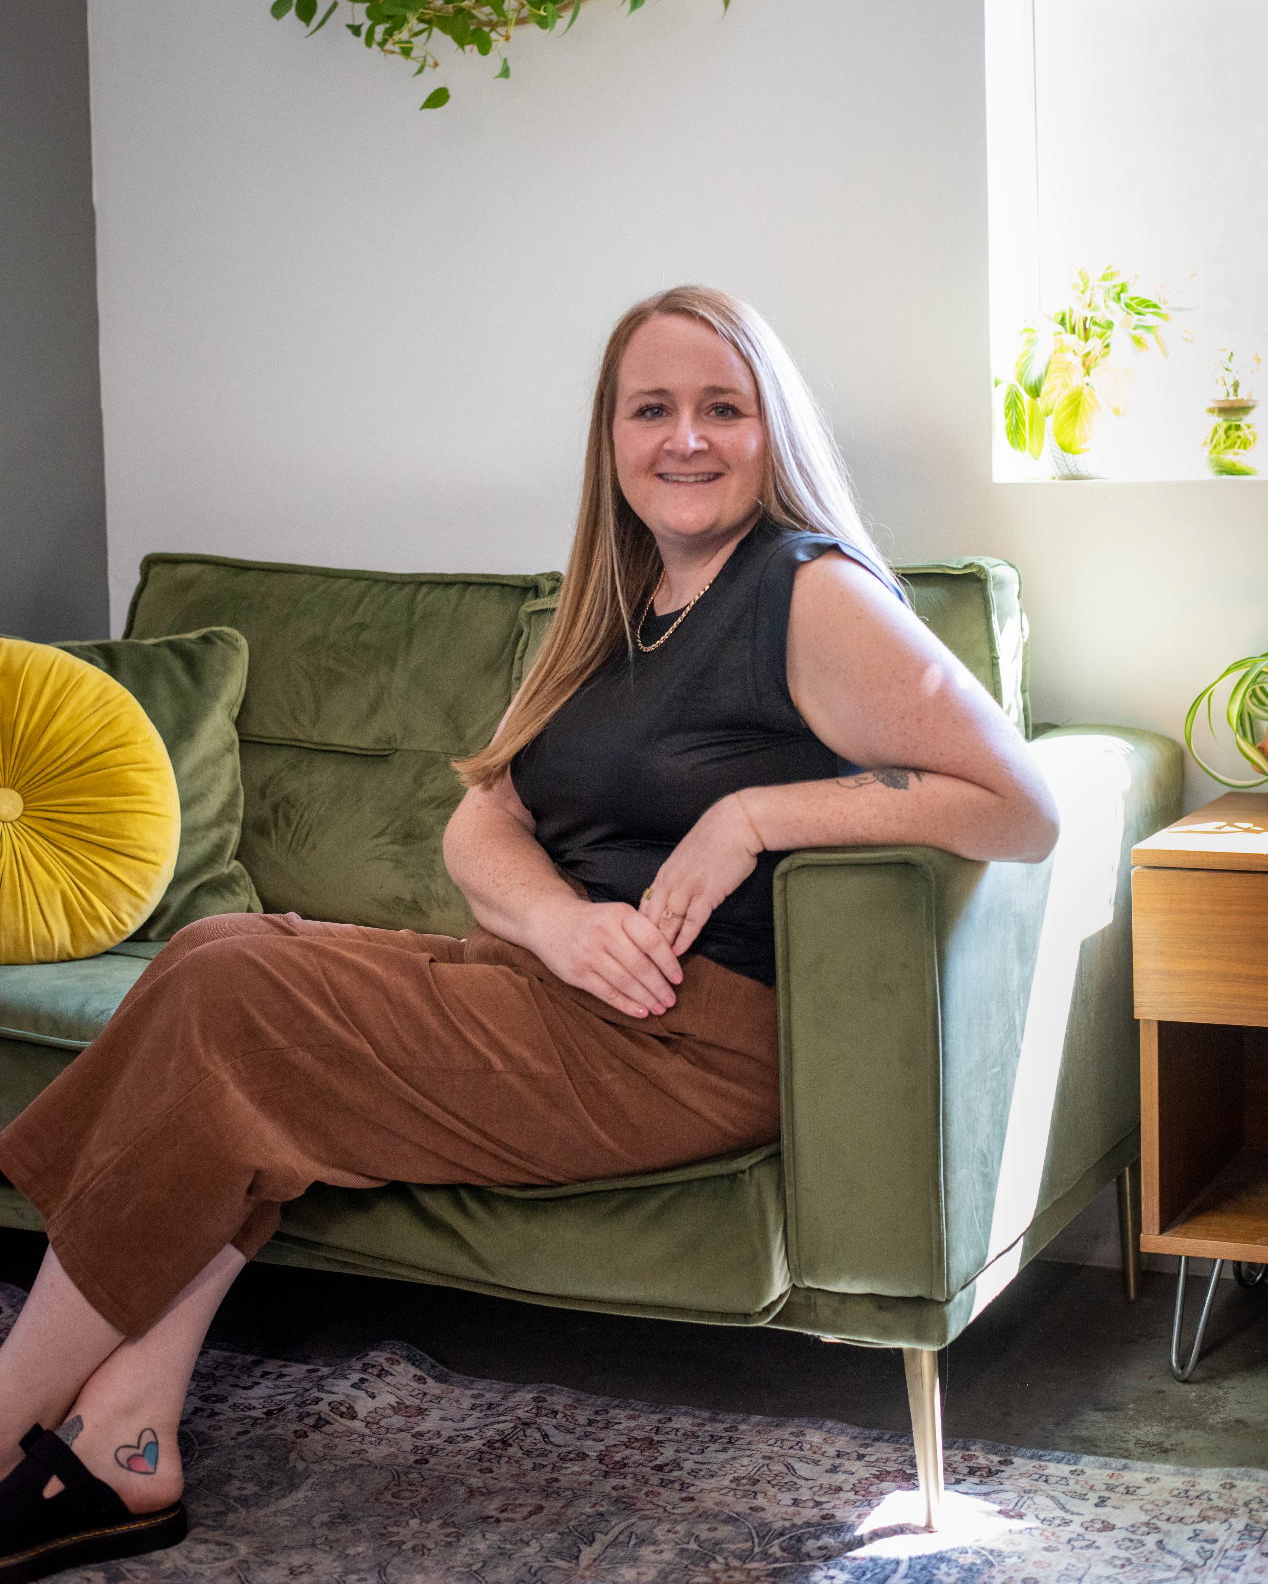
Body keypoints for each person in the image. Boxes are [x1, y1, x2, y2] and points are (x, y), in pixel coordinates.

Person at [0, 285, 1058, 1577]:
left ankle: (8, 1414)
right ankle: (127, 1440)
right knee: (217, 960)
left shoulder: (807, 592)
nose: (686, 439)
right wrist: (556, 925)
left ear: (772, 432)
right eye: (651, 409)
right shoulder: (616, 601)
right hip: (560, 993)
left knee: (239, 1005)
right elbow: (476, 827)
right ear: (610, 438)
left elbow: (1020, 804)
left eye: (723, 408)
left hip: (685, 1039)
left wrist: (753, 818)